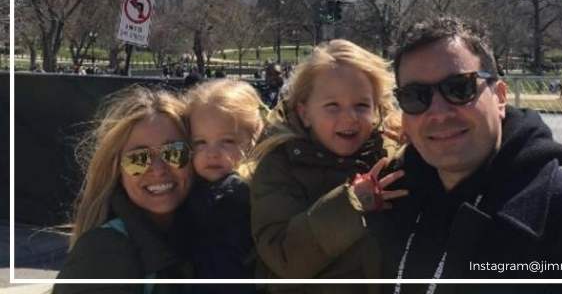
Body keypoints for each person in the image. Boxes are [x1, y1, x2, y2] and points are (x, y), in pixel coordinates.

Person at [379, 16, 562, 293]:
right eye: (416, 96)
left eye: (459, 88)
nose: (439, 113)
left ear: (500, 96)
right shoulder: (391, 200)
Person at [249, 39, 407, 293]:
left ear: (376, 110)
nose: (349, 117)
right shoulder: (280, 164)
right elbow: (282, 255)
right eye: (332, 106)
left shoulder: (388, 156)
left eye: (361, 105)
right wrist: (350, 204)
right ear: (305, 113)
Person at [54, 86, 194, 293]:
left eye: (174, 152)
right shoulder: (102, 253)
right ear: (116, 170)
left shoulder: (210, 235)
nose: (158, 169)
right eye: (138, 159)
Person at [183, 79, 265, 286]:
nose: (212, 153)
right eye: (200, 142)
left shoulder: (238, 198)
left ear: (254, 140)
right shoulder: (190, 190)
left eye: (227, 141)